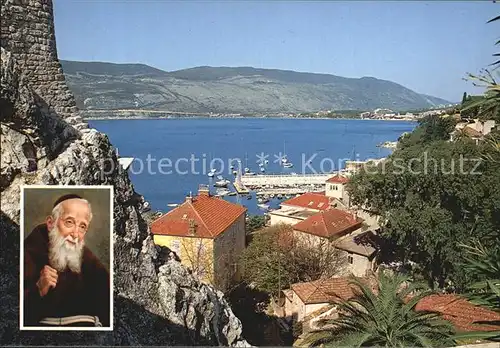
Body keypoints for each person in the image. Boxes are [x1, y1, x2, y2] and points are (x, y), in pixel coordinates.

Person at [23, 194, 110, 327]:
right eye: (69, 222)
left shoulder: (89, 260)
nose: (75, 234)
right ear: (51, 223)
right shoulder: (29, 251)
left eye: (82, 227)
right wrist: (38, 290)